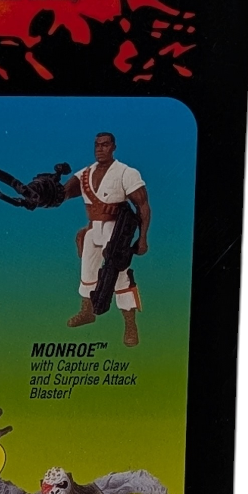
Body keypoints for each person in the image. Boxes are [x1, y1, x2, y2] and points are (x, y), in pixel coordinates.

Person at [62, 131, 151, 346]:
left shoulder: (126, 172)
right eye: (97, 145)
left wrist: (142, 238)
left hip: (116, 231)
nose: (100, 149)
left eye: (105, 145)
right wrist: (42, 193)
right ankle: (87, 312)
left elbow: (143, 206)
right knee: (87, 272)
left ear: (113, 147)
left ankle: (130, 325)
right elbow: (63, 193)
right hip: (93, 229)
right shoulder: (85, 174)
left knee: (119, 276)